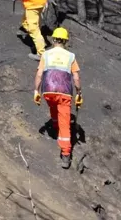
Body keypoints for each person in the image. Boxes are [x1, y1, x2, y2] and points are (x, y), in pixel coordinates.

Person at [33, 27, 83, 169]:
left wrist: (36, 91)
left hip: (48, 90)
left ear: (54, 39)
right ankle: (66, 154)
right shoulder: (71, 56)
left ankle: (55, 128)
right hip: (64, 92)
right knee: (65, 121)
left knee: (53, 108)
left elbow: (39, 74)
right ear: (66, 41)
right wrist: (79, 93)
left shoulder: (46, 55)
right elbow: (76, 78)